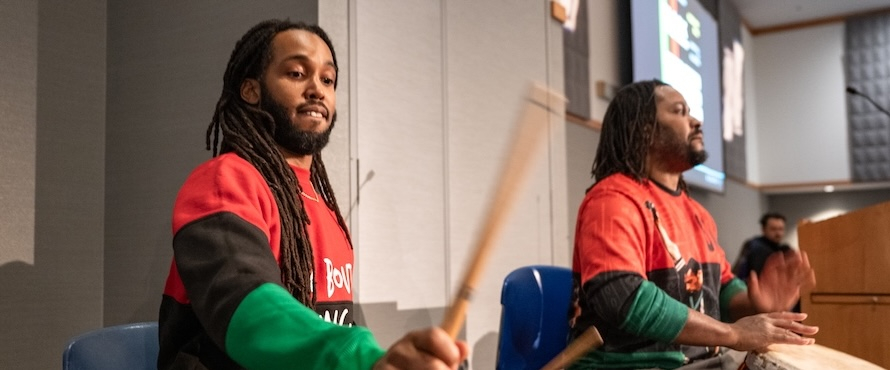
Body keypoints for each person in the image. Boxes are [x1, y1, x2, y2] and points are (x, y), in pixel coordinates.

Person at [158, 19, 468, 370]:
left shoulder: (323, 206)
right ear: (251, 90)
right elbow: (247, 306)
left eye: (327, 79)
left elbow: (330, 327)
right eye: (296, 73)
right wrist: (361, 357)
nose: (317, 90)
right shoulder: (222, 181)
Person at [567, 80, 817, 369]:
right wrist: (733, 333)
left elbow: (721, 288)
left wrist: (754, 305)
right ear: (645, 130)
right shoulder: (613, 199)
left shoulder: (698, 214)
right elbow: (622, 296)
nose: (696, 121)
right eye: (680, 111)